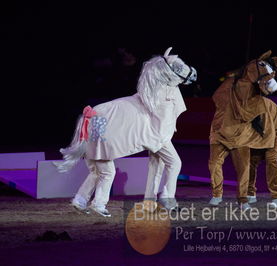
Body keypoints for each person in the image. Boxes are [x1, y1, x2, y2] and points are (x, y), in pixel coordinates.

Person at [55, 47, 197, 217]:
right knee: (170, 163)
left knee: (98, 171)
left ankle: (81, 199)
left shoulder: (155, 88)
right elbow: (162, 121)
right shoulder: (161, 92)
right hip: (154, 135)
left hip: (105, 134)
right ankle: (101, 203)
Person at [208, 50, 277, 210]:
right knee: (252, 161)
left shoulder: (260, 99)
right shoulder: (236, 87)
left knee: (271, 158)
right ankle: (249, 194)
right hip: (244, 132)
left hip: (274, 127)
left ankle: (276, 198)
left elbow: (269, 89)